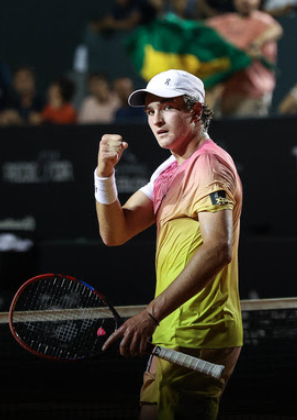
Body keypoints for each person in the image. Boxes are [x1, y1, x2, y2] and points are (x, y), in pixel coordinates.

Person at [97, 69, 243, 419]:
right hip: (169, 330)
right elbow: (115, 233)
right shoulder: (168, 170)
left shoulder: (208, 165)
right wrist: (104, 175)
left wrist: (150, 314)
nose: (156, 120)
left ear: (195, 111)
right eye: (150, 111)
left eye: (167, 108)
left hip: (199, 331)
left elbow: (218, 247)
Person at [206, 0, 283, 118]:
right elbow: (201, 29)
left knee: (248, 133)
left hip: (254, 92)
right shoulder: (224, 21)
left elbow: (276, 30)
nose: (245, 1)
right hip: (225, 93)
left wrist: (256, 43)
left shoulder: (264, 21)